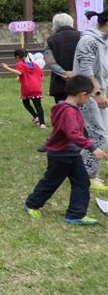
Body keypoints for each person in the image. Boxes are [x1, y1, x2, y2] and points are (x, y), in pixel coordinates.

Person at [25, 75, 107, 225]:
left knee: (82, 182)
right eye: (89, 97)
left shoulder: (68, 108)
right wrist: (92, 147)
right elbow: (72, 133)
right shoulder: (68, 111)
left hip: (73, 154)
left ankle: (76, 214)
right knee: (51, 182)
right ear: (83, 95)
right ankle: (32, 204)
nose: (88, 100)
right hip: (60, 156)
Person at [73, 9, 108, 192]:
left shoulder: (103, 41)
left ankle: (80, 170)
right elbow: (86, 69)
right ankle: (87, 175)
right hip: (87, 94)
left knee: (98, 134)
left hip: (96, 93)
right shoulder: (89, 40)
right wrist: (98, 92)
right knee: (98, 135)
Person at [2, 49, 46, 128]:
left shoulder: (20, 64)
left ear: (17, 56)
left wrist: (7, 68)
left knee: (26, 103)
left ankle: (36, 116)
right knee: (38, 105)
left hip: (27, 87)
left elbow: (19, 72)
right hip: (37, 87)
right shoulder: (35, 65)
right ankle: (42, 124)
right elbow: (40, 74)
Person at [45, 13, 81, 104]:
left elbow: (50, 62)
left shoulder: (49, 40)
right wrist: (76, 72)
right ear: (71, 23)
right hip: (82, 82)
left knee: (64, 111)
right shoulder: (82, 36)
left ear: (55, 25)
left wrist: (64, 73)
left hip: (60, 85)